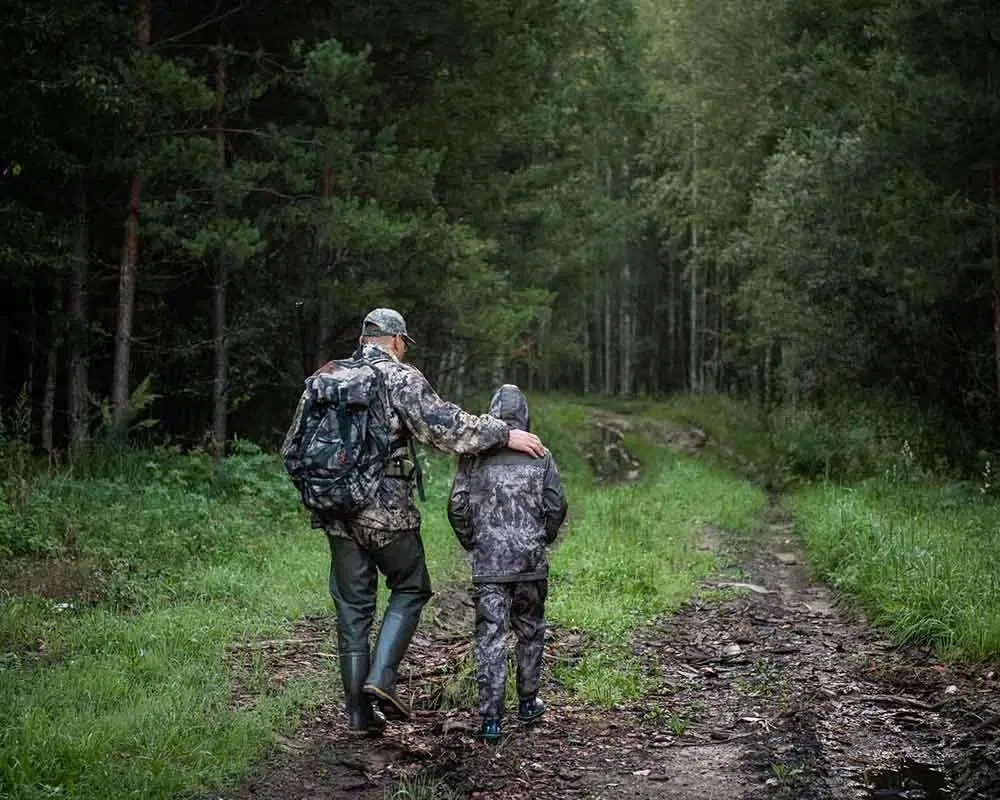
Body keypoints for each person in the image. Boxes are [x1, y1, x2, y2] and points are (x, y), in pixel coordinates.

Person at [300, 308, 547, 737]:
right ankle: (382, 678)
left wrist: (325, 493)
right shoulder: (399, 377)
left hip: (335, 513)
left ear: (362, 340)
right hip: (386, 513)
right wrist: (504, 434)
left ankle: (358, 716)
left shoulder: (326, 376)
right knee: (411, 586)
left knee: (353, 610)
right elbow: (446, 427)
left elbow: (294, 449)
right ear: (397, 341)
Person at [446, 384, 567, 743]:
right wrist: (541, 538)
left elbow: (457, 506)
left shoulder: (473, 457)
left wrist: (473, 541)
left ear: (492, 414)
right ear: (525, 415)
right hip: (530, 561)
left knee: (491, 637)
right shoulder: (540, 454)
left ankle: (491, 721)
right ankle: (528, 704)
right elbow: (556, 505)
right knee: (530, 630)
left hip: (489, 564)